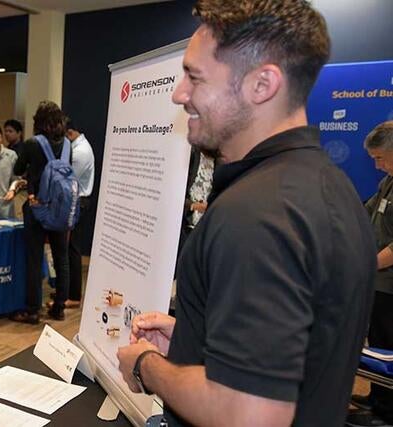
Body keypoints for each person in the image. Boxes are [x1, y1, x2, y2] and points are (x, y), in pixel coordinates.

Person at [116, 2, 376, 426]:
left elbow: (251, 415)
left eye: (194, 77)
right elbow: (299, 355)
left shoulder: (256, 214)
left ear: (262, 85)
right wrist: (192, 340)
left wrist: (147, 366)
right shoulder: (330, 188)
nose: (179, 94)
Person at [10, 101, 71, 323]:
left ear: (38, 121)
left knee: (34, 258)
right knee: (61, 257)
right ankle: (59, 307)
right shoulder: (67, 145)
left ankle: (33, 309)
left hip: (37, 207)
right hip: (61, 208)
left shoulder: (32, 144)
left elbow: (17, 169)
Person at [352, 121, 393, 427]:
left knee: (389, 347)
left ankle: (386, 412)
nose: (377, 166)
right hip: (378, 282)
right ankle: (377, 398)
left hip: (389, 284)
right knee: (377, 342)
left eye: (380, 158)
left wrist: (368, 264)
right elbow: (364, 211)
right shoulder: (387, 183)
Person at [60, 118, 94, 308]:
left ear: (70, 133)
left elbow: (67, 178)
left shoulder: (80, 152)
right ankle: (69, 292)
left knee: (72, 249)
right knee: (70, 249)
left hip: (78, 202)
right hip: (78, 201)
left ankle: (74, 296)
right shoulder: (80, 147)